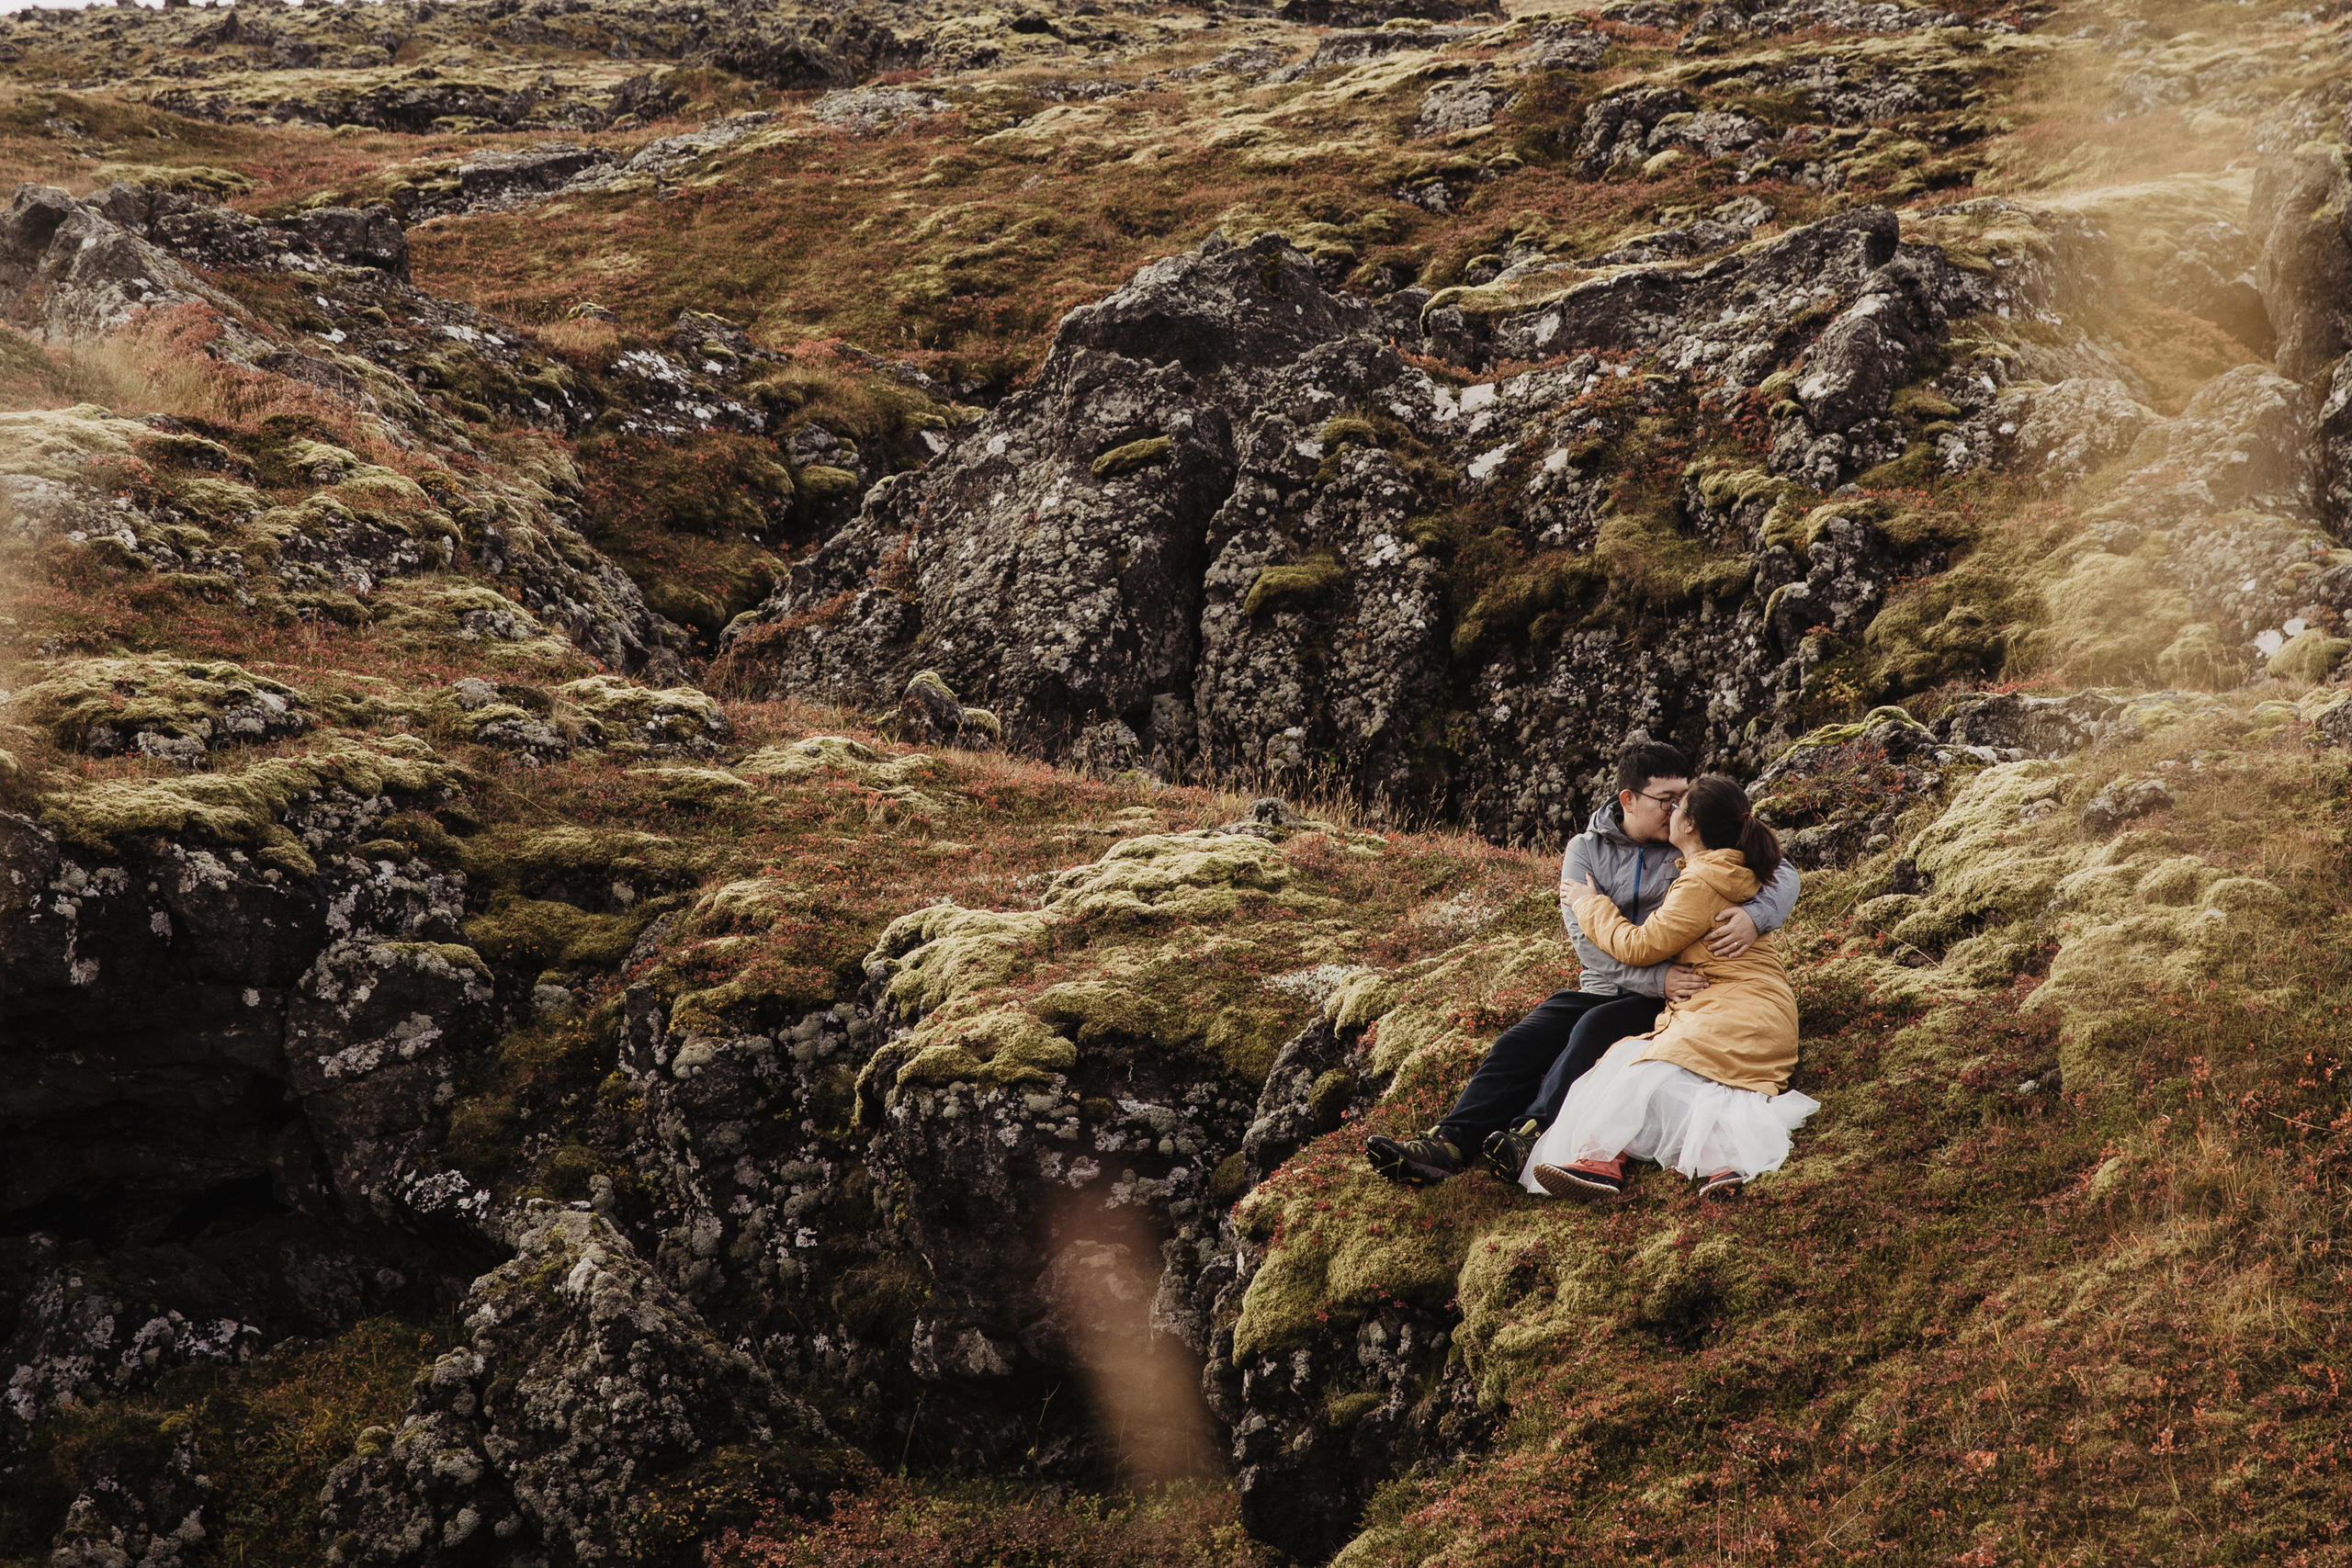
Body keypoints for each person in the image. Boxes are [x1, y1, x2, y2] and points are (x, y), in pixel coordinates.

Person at [1363, 742, 1800, 1186]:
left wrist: (1754, 917)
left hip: (1677, 993)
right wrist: (1657, 978)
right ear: (1628, 799)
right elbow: (1587, 945)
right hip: (1620, 981)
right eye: (1665, 800)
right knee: (1521, 1041)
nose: (1674, 810)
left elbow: (1778, 870)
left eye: (1679, 799)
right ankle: (1448, 1142)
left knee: (1591, 1031)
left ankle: (1528, 1135)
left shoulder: (1691, 843)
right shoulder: (1584, 850)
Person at [1523, 773, 1817, 1201]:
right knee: (1670, 1073)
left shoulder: (1699, 882)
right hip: (1759, 1010)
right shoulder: (1736, 866)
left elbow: (1639, 946)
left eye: (1679, 806)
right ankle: (1715, 1162)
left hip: (1736, 1010)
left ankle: (1606, 1161)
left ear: (1691, 825)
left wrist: (1589, 904)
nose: (1670, 811)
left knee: (1633, 1067)